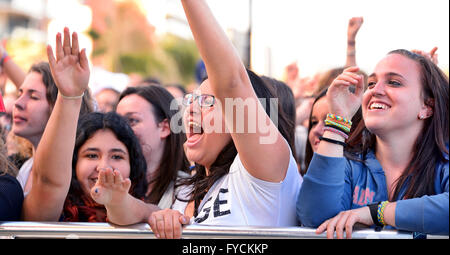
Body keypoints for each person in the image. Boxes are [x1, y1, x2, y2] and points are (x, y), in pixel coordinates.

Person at [147, 0, 301, 239]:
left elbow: (231, 83)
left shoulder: (262, 175)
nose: (191, 110)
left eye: (208, 101)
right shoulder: (187, 189)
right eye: (191, 100)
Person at [297, 49, 449, 238]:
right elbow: (314, 219)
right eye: (371, 83)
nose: (376, 90)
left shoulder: (443, 160)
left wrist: (377, 213)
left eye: (394, 82)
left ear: (427, 107)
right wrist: (338, 119)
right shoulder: (349, 164)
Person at [21, 28, 152, 222]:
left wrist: (120, 204)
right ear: (73, 163)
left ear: (132, 165)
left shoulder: (153, 215)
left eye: (117, 156)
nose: (103, 167)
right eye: (91, 155)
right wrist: (69, 96)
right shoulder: (49, 213)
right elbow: (48, 182)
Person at [116, 85, 190, 209]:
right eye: (117, 121)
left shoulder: (188, 192)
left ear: (164, 128)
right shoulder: (108, 184)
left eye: (132, 120)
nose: (120, 129)